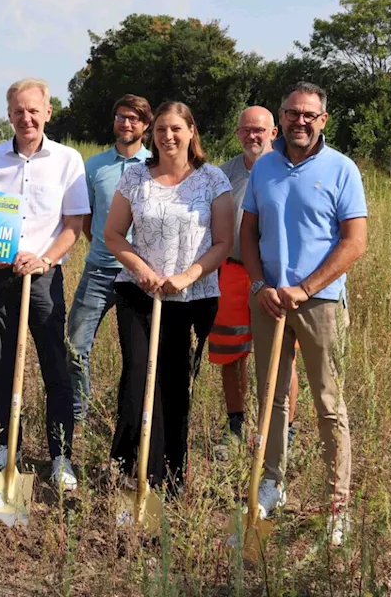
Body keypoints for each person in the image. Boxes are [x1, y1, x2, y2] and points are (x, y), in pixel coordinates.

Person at [242, 82, 367, 546]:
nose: (300, 121)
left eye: (309, 115)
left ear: (323, 121)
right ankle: (271, 483)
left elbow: (354, 243)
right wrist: (260, 286)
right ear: (282, 117)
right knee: (270, 397)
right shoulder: (265, 168)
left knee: (328, 404)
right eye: (292, 113)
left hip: (320, 303)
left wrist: (306, 288)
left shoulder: (342, 169)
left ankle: (338, 504)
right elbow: (247, 234)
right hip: (271, 301)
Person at [105, 101, 232, 494]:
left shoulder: (213, 180)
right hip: (139, 294)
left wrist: (187, 276)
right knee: (139, 377)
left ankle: (171, 476)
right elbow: (113, 234)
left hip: (190, 298)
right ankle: (130, 470)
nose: (168, 136)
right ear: (151, 134)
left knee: (175, 385)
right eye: (161, 129)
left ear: (192, 131)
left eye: (176, 128)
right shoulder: (135, 179)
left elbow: (224, 242)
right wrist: (142, 271)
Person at [0, 78, 89, 491]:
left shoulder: (67, 160)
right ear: (9, 115)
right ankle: (9, 444)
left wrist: (44, 260)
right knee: (4, 366)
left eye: (33, 110)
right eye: (18, 111)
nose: (26, 118)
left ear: (47, 112)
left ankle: (60, 455)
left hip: (43, 279)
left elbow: (73, 226)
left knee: (55, 367)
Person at [208, 106, 299, 461]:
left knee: (282, 354)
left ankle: (284, 431)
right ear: (237, 133)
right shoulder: (223, 174)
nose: (253, 136)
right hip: (231, 272)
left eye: (259, 130)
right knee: (232, 354)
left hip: (276, 276)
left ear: (273, 132)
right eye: (246, 130)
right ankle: (234, 427)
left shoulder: (288, 168)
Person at [67, 95, 152, 425]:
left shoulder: (154, 166)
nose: (126, 123)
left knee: (138, 355)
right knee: (75, 345)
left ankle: (131, 418)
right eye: (120, 117)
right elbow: (87, 218)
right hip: (99, 269)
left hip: (140, 275)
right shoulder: (94, 166)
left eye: (133, 118)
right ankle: (79, 413)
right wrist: (106, 249)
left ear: (145, 125)